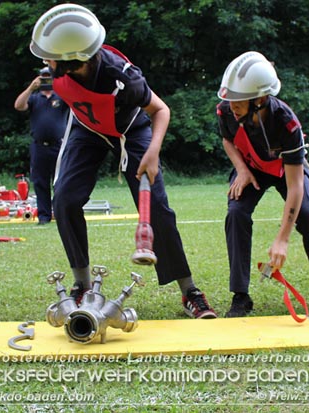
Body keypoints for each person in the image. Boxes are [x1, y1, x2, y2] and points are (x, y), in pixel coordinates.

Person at [29, 3, 217, 318]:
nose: (45, 62)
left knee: (157, 206)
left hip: (131, 130)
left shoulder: (123, 77)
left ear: (71, 60)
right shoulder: (59, 70)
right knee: (63, 199)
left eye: (50, 56)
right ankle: (83, 285)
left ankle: (190, 292)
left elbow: (161, 110)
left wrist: (153, 152)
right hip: (87, 130)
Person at [216, 51, 309, 317]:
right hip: (251, 166)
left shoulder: (287, 124)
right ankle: (240, 296)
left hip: (285, 170)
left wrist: (282, 239)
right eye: (230, 99)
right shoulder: (226, 110)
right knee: (236, 213)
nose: (231, 105)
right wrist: (242, 171)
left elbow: (295, 186)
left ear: (259, 99)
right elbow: (227, 140)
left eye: (238, 100)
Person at [14, 67, 70, 225]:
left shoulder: (61, 97)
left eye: (48, 77)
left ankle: (60, 215)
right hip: (39, 146)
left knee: (60, 182)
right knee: (40, 182)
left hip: (58, 146)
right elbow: (18, 105)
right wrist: (31, 87)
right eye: (43, 77)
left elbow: (76, 103)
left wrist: (61, 84)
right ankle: (44, 217)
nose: (46, 80)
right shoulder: (34, 98)